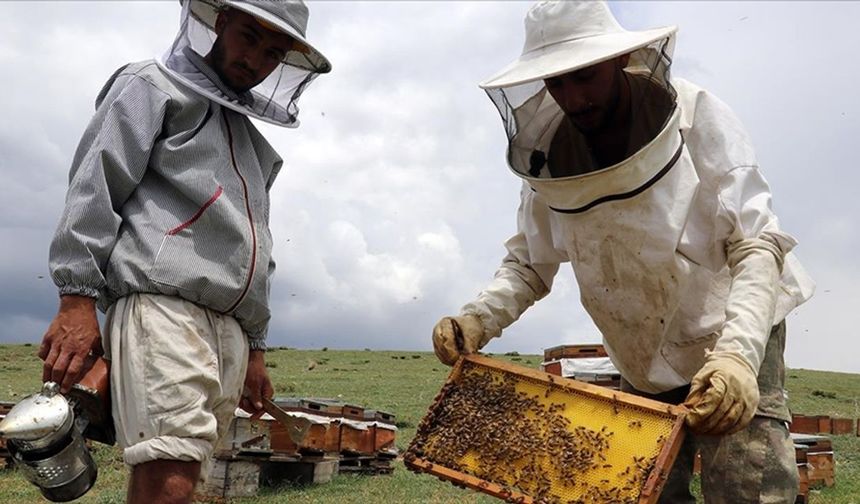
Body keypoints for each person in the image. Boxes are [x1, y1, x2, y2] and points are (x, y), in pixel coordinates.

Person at [431, 2, 814, 503]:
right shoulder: (550, 156)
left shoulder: (697, 118)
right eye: (556, 84)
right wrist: (478, 319)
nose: (573, 97)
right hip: (639, 354)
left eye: (584, 76)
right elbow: (529, 264)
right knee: (644, 493)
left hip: (730, 331)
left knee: (748, 488)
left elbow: (756, 243)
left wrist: (738, 358)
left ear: (620, 60)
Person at [38, 1, 330, 502]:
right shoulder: (151, 85)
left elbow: (257, 244)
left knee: (188, 472)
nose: (256, 59)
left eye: (273, 51)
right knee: (168, 470)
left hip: (229, 330)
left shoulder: (254, 145)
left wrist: (256, 349)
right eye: (248, 37)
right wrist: (77, 298)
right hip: (163, 308)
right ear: (219, 23)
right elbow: (96, 184)